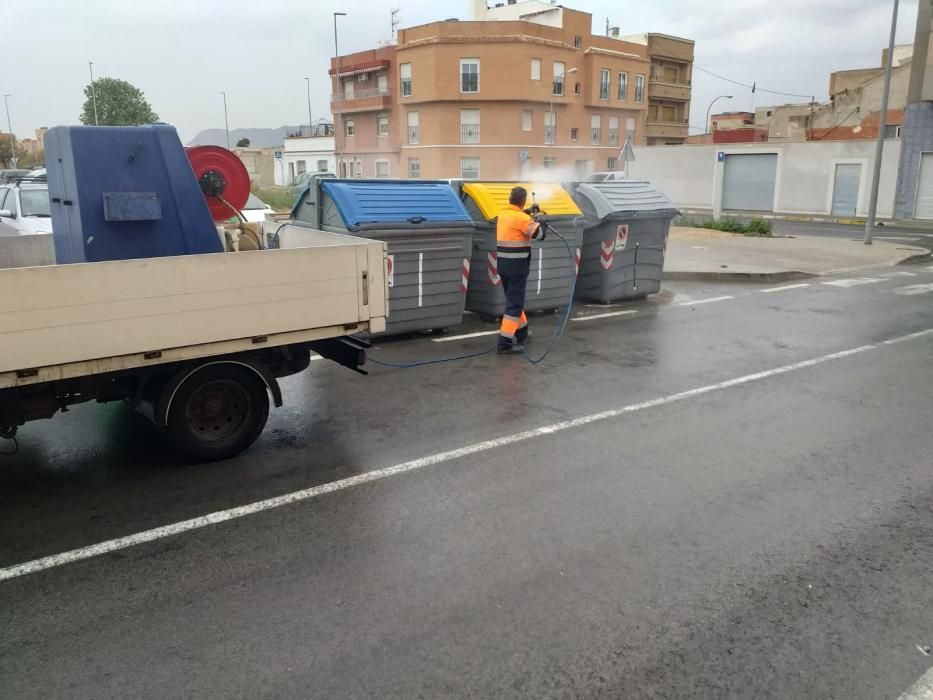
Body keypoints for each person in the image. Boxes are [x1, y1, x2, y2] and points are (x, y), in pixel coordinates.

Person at [496, 186, 546, 354]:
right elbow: (540, 235)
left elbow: (517, 218)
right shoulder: (523, 219)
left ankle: (522, 332)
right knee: (514, 304)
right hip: (517, 266)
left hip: (503, 265)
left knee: (513, 299)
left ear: (510, 199)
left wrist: (527, 212)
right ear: (523, 201)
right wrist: (541, 221)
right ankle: (504, 343)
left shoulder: (504, 214)